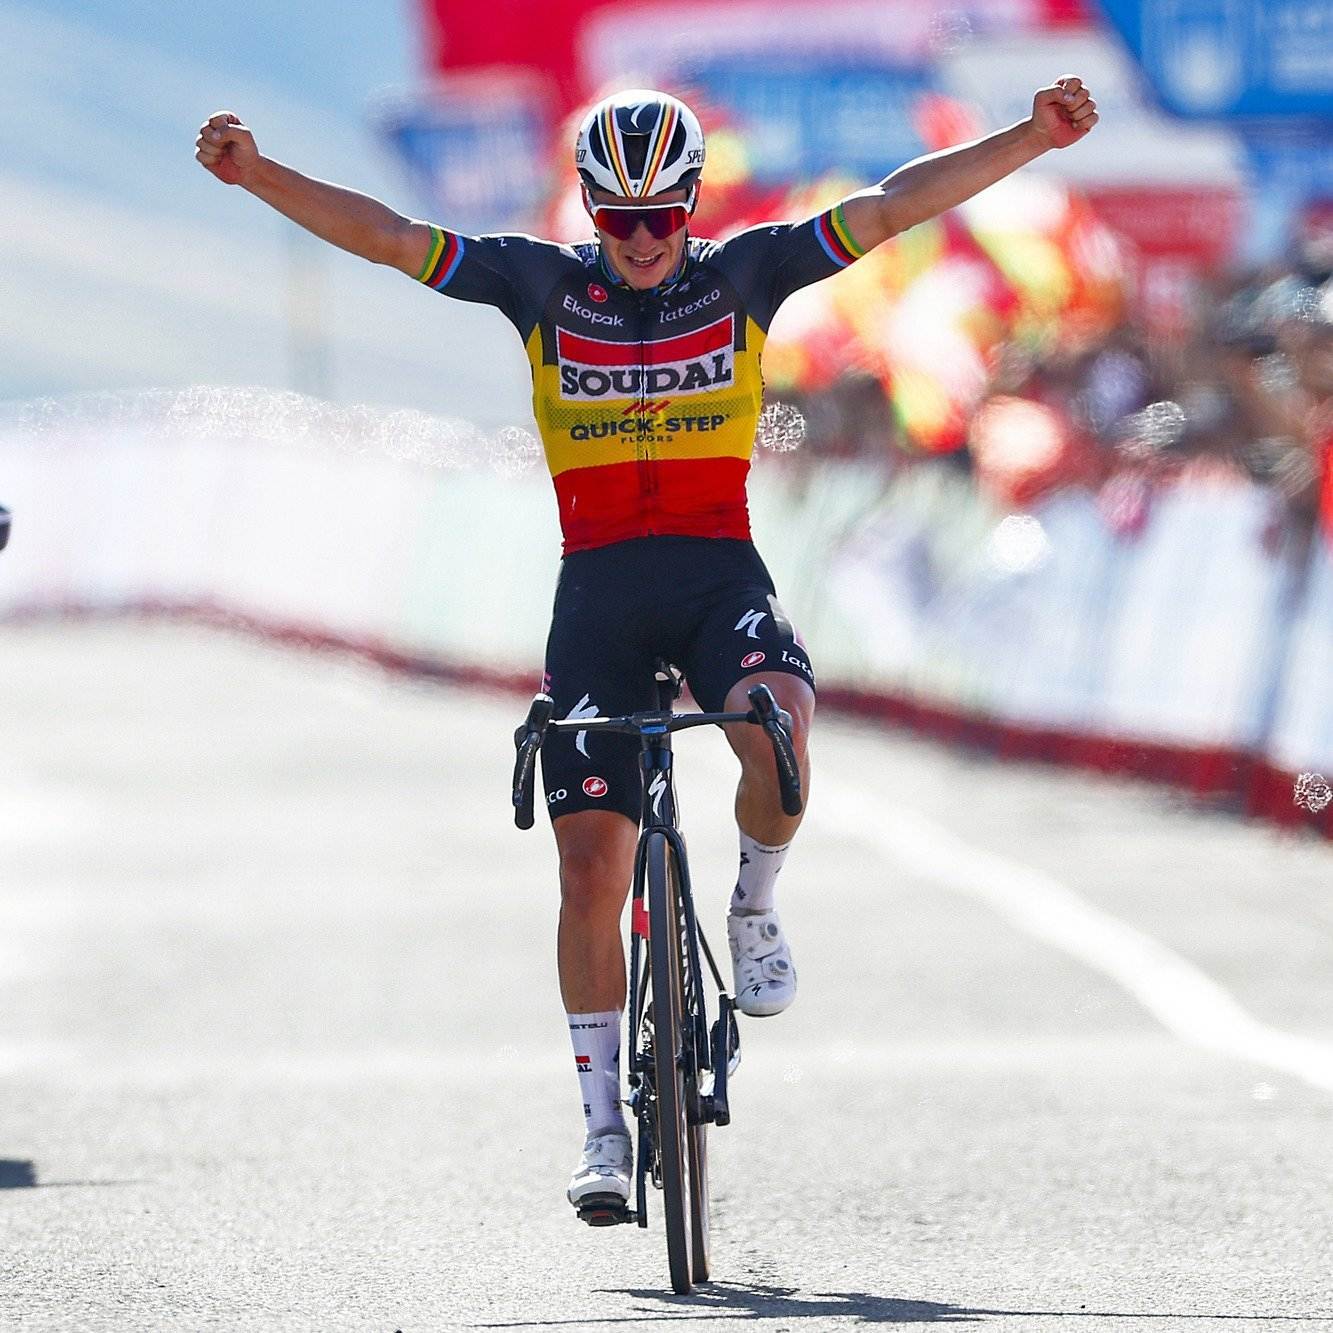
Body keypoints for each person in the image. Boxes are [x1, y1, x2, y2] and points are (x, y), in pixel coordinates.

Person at [196, 78, 1098, 1217]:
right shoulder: (537, 284)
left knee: (779, 728)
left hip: (719, 573)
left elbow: (894, 204)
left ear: (687, 205)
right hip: (600, 594)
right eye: (613, 219)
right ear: (585, 206)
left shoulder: (746, 275)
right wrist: (256, 173)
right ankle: (601, 1131)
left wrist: (1029, 136)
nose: (635, 241)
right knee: (588, 869)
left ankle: (755, 905)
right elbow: (386, 238)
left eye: (657, 217)